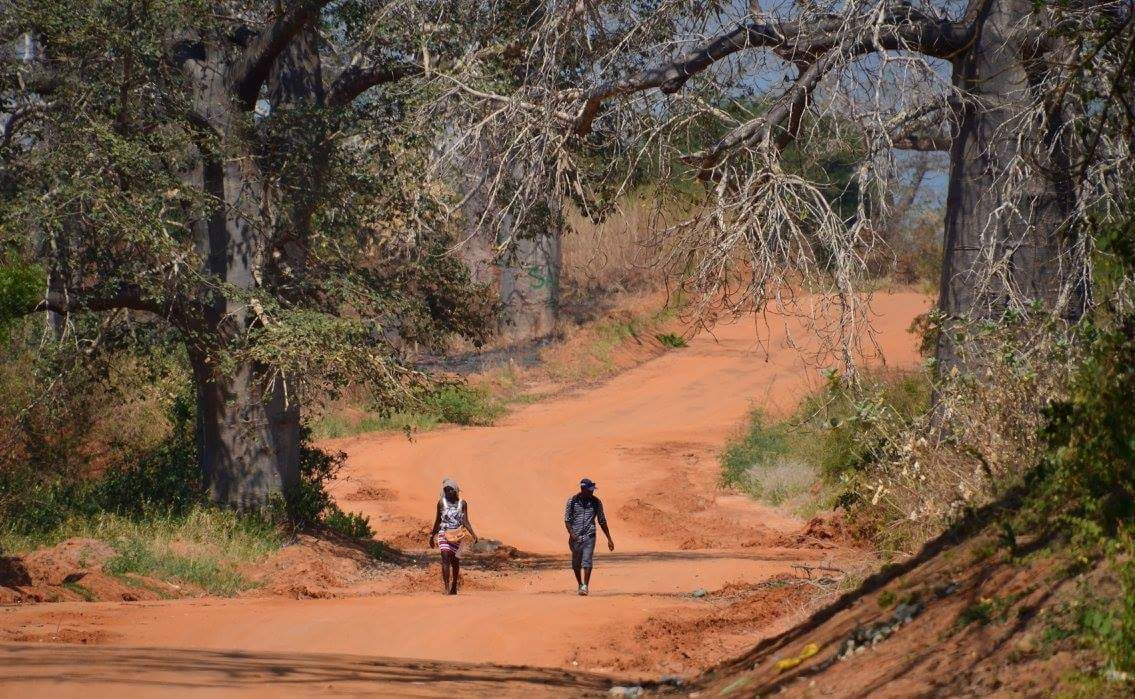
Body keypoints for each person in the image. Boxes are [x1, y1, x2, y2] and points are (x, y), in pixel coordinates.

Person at [564, 477, 614, 596]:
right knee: (576, 563)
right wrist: (572, 534)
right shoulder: (572, 501)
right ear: (583, 489)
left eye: (592, 490)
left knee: (587, 560)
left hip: (589, 536)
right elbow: (567, 520)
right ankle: (580, 584)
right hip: (575, 537)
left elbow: (602, 521)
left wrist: (609, 538)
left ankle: (585, 586)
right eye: (589, 490)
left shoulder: (596, 502)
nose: (592, 492)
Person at [428, 478, 478, 595]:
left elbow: (465, 521)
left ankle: (454, 586)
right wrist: (432, 536)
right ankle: (446, 587)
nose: (448, 492)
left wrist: (473, 534)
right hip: (444, 534)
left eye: (450, 490)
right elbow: (437, 520)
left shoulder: (462, 504)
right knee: (445, 556)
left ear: (455, 490)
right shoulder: (441, 503)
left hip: (457, 536)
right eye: (446, 490)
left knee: (455, 562)